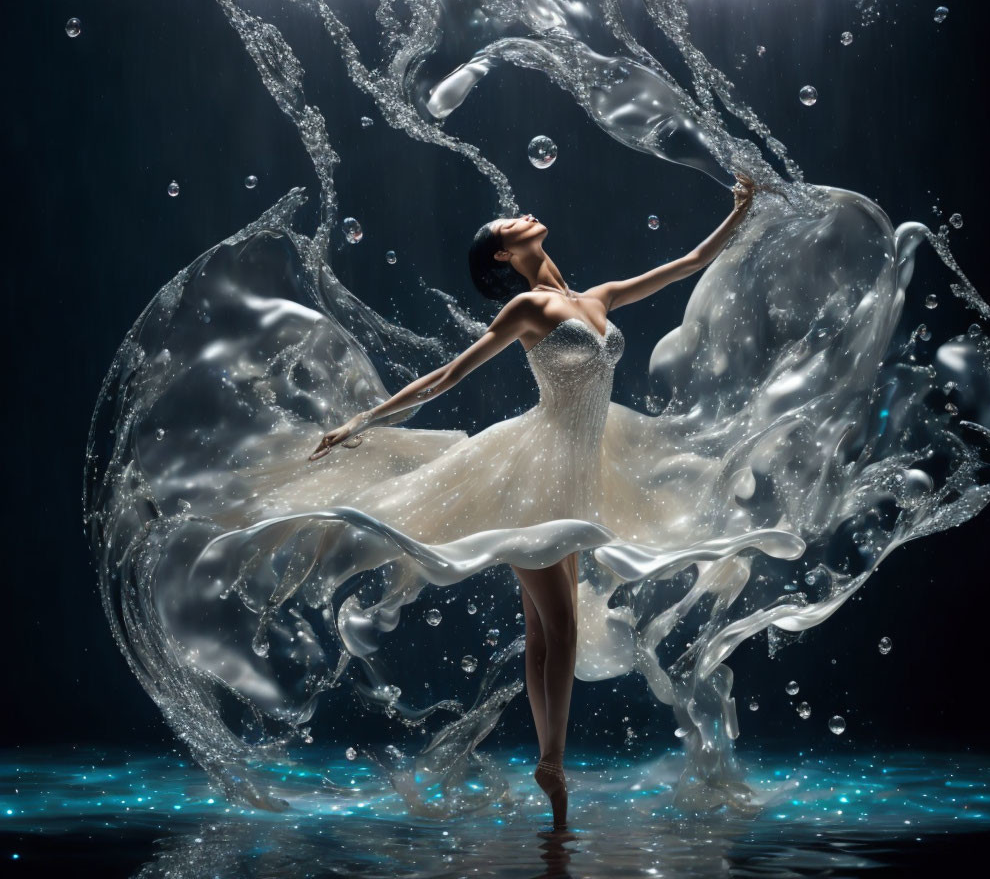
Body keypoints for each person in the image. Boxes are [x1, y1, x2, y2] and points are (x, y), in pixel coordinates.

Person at [308, 172, 761, 831]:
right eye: (505, 224)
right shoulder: (525, 311)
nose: (519, 214)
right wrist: (362, 422)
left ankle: (550, 762)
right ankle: (552, 761)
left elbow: (689, 263)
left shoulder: (597, 298)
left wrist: (740, 211)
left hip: (580, 473)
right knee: (562, 627)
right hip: (535, 471)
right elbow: (446, 376)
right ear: (503, 255)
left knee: (546, 632)